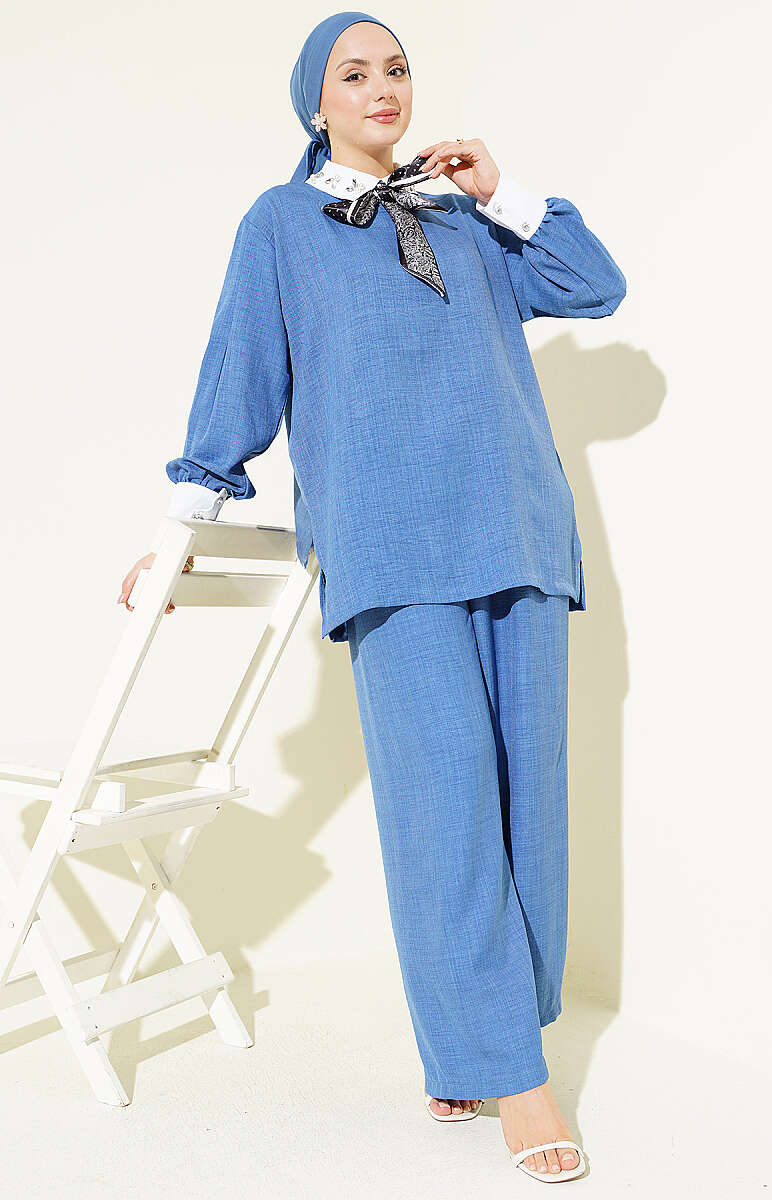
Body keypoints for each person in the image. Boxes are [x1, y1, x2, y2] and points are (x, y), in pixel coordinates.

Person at [119, 10, 625, 1183]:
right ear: (317, 102)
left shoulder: (462, 217)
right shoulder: (281, 225)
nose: (380, 88)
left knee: (526, 813)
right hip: (392, 551)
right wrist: (181, 528)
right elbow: (240, 376)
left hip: (515, 530)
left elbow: (594, 288)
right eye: (353, 74)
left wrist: (501, 192)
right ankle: (516, 1077)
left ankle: (476, 1043)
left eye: (394, 69)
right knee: (444, 815)